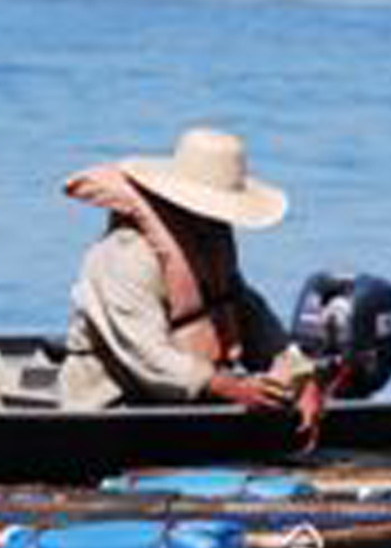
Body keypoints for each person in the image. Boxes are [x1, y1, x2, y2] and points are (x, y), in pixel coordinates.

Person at [56, 125, 324, 431]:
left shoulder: (210, 242)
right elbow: (145, 354)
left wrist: (300, 374)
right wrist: (229, 387)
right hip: (109, 408)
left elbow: (247, 310)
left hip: (190, 403)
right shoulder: (125, 257)